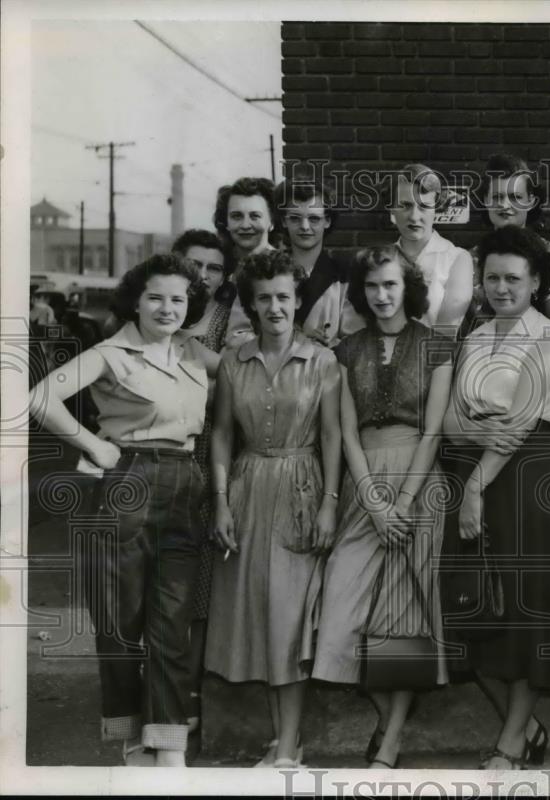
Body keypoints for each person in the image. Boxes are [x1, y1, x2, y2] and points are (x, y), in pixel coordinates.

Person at [28, 254, 219, 766]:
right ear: (136, 299)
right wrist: (97, 446)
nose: (167, 307)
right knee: (120, 623)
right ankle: (133, 740)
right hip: (126, 485)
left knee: (171, 623)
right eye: (156, 296)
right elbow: (41, 397)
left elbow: (246, 375)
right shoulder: (111, 353)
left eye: (179, 298)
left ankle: (168, 745)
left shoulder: (193, 352)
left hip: (185, 484)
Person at [309, 246, 454, 769]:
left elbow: (434, 429)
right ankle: (385, 724)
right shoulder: (346, 350)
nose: (382, 295)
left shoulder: (437, 346)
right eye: (372, 286)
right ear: (361, 292)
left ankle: (390, 741)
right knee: (338, 613)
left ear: (407, 287)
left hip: (419, 484)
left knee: (407, 620)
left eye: (390, 284)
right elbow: (346, 431)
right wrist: (373, 502)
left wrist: (406, 502)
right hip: (365, 485)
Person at [441, 225, 550, 770]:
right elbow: (449, 419)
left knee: (523, 612)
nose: (501, 288)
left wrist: (474, 484)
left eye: (513, 278)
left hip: (524, 480)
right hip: (473, 472)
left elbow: (518, 425)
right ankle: (528, 729)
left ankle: (512, 743)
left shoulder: (548, 338)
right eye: (491, 277)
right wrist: (471, 442)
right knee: (469, 609)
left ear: (536, 281)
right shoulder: (474, 336)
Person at [204, 249, 341, 768]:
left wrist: (329, 503)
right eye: (264, 299)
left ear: (298, 299)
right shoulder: (234, 363)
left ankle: (289, 747)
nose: (275, 307)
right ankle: (282, 739)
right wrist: (220, 501)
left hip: (301, 490)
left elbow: (331, 436)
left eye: (284, 296)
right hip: (247, 489)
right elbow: (220, 433)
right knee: (260, 615)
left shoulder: (323, 360)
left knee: (290, 619)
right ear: (252, 306)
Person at [169, 228, 234, 736]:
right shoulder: (159, 307)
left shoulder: (223, 316)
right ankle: (160, 695)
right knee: (160, 580)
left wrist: (190, 349)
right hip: (163, 449)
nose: (204, 276)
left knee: (199, 585)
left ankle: (188, 698)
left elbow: (236, 375)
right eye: (196, 265)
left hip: (209, 447)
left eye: (214, 268)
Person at [464, 153, 550, 336]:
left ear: (530, 200)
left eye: (515, 197)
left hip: (538, 357)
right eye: (497, 197)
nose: (505, 205)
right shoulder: (467, 261)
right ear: (485, 200)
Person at [274, 176, 363, 347]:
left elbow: (356, 341)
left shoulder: (345, 274)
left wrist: (326, 346)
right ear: (284, 221)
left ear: (327, 221)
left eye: (314, 219)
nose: (305, 227)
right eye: (295, 218)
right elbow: (239, 335)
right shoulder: (268, 269)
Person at [387, 163, 473, 339]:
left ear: (436, 208)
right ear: (392, 209)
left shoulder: (456, 259)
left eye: (424, 206)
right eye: (405, 205)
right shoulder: (381, 260)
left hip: (433, 362)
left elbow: (446, 332)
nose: (414, 216)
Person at [215, 177, 280, 347]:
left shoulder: (282, 269)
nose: (245, 225)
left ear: (271, 222)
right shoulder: (220, 267)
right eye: (236, 216)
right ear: (226, 222)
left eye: (255, 216)